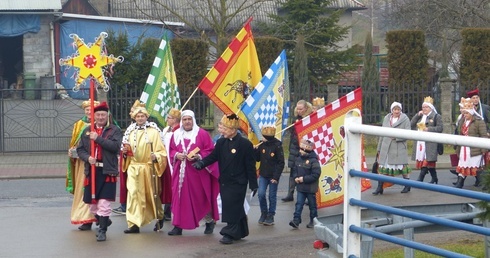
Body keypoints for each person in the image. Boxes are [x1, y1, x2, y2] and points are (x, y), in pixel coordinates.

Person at [193, 114, 258, 245]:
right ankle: (241, 230)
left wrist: (253, 184)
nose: (222, 131)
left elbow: (250, 166)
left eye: (226, 129)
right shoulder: (222, 142)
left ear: (233, 130)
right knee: (235, 207)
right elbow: (213, 156)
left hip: (238, 181)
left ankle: (229, 233)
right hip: (225, 180)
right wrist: (201, 163)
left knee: (231, 206)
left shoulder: (245, 144)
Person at [167, 110, 220, 236]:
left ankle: (209, 222)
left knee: (202, 197)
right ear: (181, 121)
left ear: (193, 120)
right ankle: (178, 226)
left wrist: (198, 156)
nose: (187, 122)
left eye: (189, 119)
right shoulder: (176, 134)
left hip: (198, 173)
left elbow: (210, 151)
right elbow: (171, 150)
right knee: (179, 198)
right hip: (181, 173)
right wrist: (177, 155)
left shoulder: (202, 134)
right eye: (184, 119)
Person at [76, 101, 122, 242]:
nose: (101, 117)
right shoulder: (87, 130)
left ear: (107, 116)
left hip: (107, 170)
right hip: (92, 170)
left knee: (104, 203)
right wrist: (87, 158)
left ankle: (102, 230)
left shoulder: (114, 130)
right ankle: (104, 220)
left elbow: (115, 147)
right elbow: (80, 149)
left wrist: (98, 139)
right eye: (98, 115)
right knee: (92, 203)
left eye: (103, 115)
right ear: (94, 116)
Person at [120, 105, 168, 234]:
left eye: (142, 116)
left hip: (149, 168)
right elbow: (126, 151)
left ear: (147, 117)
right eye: (137, 116)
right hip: (133, 167)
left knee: (151, 195)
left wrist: (156, 156)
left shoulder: (154, 131)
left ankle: (159, 217)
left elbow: (162, 152)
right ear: (134, 118)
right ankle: (134, 223)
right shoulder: (129, 132)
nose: (140, 118)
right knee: (133, 194)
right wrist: (124, 152)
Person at [67, 99, 99, 230]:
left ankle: (99, 217)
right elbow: (75, 142)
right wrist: (72, 150)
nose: (89, 112)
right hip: (82, 163)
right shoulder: (79, 124)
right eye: (87, 110)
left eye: (91, 110)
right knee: (83, 189)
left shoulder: (103, 123)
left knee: (96, 189)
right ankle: (85, 218)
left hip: (97, 161)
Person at [372, 102, 412, 195]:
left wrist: (397, 137)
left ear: (400, 110)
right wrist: (379, 148)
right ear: (392, 110)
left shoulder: (405, 119)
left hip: (398, 147)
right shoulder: (386, 118)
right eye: (395, 109)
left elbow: (408, 133)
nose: (396, 111)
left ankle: (407, 185)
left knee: (402, 167)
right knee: (382, 167)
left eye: (398, 109)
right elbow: (382, 133)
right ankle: (380, 187)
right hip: (386, 147)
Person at [114, 100, 146, 215]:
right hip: (129, 161)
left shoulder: (149, 129)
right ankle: (125, 205)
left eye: (133, 111)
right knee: (128, 185)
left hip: (142, 163)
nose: (130, 113)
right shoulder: (131, 128)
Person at [282, 100, 313, 202]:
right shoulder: (296, 119)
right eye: (297, 109)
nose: (299, 111)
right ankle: (290, 194)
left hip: (305, 148)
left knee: (306, 171)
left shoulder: (310, 118)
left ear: (306, 108)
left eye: (301, 109)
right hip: (294, 147)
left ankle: (308, 196)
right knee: (293, 171)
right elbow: (292, 133)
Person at [454, 97, 488, 188]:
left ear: (471, 113)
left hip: (475, 149)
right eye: (464, 113)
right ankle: (460, 183)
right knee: (463, 165)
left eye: (466, 113)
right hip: (464, 148)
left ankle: (482, 183)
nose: (464, 115)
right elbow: (460, 134)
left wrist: (483, 149)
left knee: (476, 167)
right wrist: (458, 148)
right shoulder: (462, 121)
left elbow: (484, 135)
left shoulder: (478, 122)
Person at [254, 126, 285, 226]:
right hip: (263, 174)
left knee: (272, 196)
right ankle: (264, 212)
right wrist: (255, 150)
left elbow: (281, 162)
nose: (262, 138)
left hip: (273, 176)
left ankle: (271, 215)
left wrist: (276, 177)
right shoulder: (262, 145)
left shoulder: (277, 145)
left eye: (264, 136)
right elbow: (257, 159)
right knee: (261, 194)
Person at [288, 139, 321, 229]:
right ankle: (296, 220)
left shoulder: (314, 161)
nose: (300, 151)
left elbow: (316, 174)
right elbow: (294, 170)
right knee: (299, 204)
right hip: (301, 187)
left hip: (310, 188)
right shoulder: (298, 159)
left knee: (312, 205)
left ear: (306, 151)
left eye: (302, 150)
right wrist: (296, 178)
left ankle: (313, 220)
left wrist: (303, 179)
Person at [411, 96, 443, 184]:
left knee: (427, 161)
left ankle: (420, 178)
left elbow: (440, 128)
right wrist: (417, 115)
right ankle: (434, 178)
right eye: (423, 107)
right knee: (429, 163)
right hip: (421, 143)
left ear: (431, 108)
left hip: (431, 143)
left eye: (426, 107)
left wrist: (429, 129)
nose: (424, 109)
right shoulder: (421, 117)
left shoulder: (436, 116)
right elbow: (411, 125)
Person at [159, 108, 181, 224]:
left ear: (175, 119)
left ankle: (170, 211)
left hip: (174, 161)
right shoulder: (166, 129)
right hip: (165, 160)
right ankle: (167, 211)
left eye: (169, 118)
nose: (167, 119)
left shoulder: (179, 131)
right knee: (168, 186)